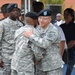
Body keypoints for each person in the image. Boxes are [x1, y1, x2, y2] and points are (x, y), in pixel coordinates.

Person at [23, 9, 64, 75]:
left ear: (50, 19)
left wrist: (31, 36)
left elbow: (45, 44)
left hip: (53, 66)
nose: (41, 20)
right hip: (40, 65)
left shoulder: (53, 30)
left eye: (45, 19)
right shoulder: (37, 28)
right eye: (40, 18)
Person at [0, 3, 23, 75]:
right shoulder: (2, 24)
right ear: (9, 12)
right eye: (13, 10)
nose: (15, 12)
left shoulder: (21, 25)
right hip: (5, 58)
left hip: (18, 58)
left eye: (16, 10)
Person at [60, 8, 75, 75]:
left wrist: (65, 49)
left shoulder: (74, 26)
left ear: (72, 16)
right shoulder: (61, 26)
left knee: (68, 71)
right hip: (62, 52)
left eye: (67, 14)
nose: (65, 16)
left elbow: (73, 41)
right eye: (64, 14)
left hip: (71, 52)